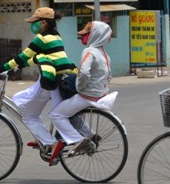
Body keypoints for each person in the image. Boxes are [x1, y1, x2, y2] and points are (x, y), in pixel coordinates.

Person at [0, 7, 77, 162]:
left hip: (50, 80)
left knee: (29, 116)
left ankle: (52, 144)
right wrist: (17, 68)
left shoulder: (41, 38)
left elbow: (22, 56)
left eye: (34, 22)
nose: (31, 25)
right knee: (31, 110)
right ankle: (42, 138)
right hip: (61, 77)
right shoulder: (55, 36)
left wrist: (0, 68)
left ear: (43, 23)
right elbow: (37, 58)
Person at [49, 21, 118, 154]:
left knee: (56, 114)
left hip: (87, 95)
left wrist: (79, 87)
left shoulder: (89, 51)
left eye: (86, 34)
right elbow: (109, 76)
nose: (83, 37)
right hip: (101, 94)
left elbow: (84, 72)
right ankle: (91, 135)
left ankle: (78, 139)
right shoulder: (105, 55)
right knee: (72, 112)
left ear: (95, 35)